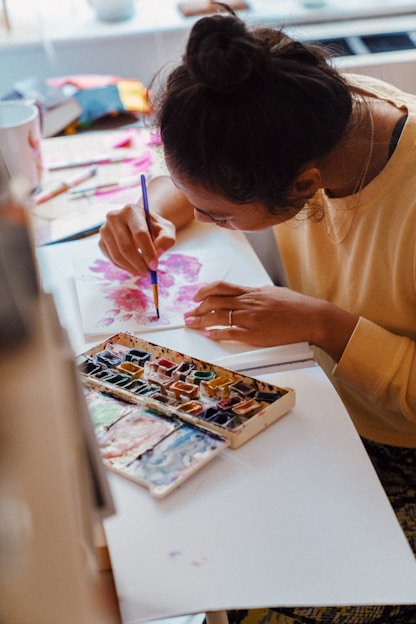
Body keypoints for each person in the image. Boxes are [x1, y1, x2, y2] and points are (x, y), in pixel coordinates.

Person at [99, 5, 416, 622]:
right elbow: (207, 171)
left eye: (218, 214)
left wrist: (326, 325)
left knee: (239, 592)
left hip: (400, 442)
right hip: (332, 404)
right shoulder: (312, 111)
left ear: (305, 183)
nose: (208, 220)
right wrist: (160, 208)